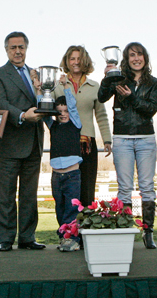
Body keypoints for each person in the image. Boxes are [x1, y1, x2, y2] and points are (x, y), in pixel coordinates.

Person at [97, 42, 157, 249]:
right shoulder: (118, 78)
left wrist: (131, 97)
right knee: (124, 188)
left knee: (147, 187)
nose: (136, 58)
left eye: (139, 54)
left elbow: (151, 109)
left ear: (145, 58)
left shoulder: (154, 83)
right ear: (126, 58)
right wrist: (107, 78)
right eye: (132, 55)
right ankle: (125, 229)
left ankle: (148, 232)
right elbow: (101, 97)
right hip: (122, 138)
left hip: (146, 138)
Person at [0, 31, 45, 251]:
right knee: (5, 195)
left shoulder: (36, 74)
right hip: (9, 143)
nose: (18, 51)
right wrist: (22, 116)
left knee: (29, 195)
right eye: (13, 47)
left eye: (21, 47)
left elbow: (44, 101)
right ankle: (5, 239)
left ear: (26, 48)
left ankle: (27, 237)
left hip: (34, 142)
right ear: (6, 50)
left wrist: (41, 91)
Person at [53, 45, 112, 208]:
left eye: (79, 58)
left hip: (87, 143)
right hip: (65, 143)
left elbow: (101, 115)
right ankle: (68, 223)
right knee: (66, 191)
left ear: (85, 61)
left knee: (87, 188)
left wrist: (107, 139)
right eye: (72, 58)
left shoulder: (94, 86)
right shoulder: (57, 86)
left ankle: (86, 222)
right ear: (67, 61)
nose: (76, 62)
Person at [42, 77, 82, 252]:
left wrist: (66, 87)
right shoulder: (53, 125)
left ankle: (73, 239)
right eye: (59, 112)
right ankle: (64, 237)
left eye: (65, 111)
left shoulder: (75, 124)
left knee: (71, 209)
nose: (63, 114)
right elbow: (44, 111)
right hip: (56, 176)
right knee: (59, 208)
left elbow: (72, 107)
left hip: (72, 175)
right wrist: (40, 90)